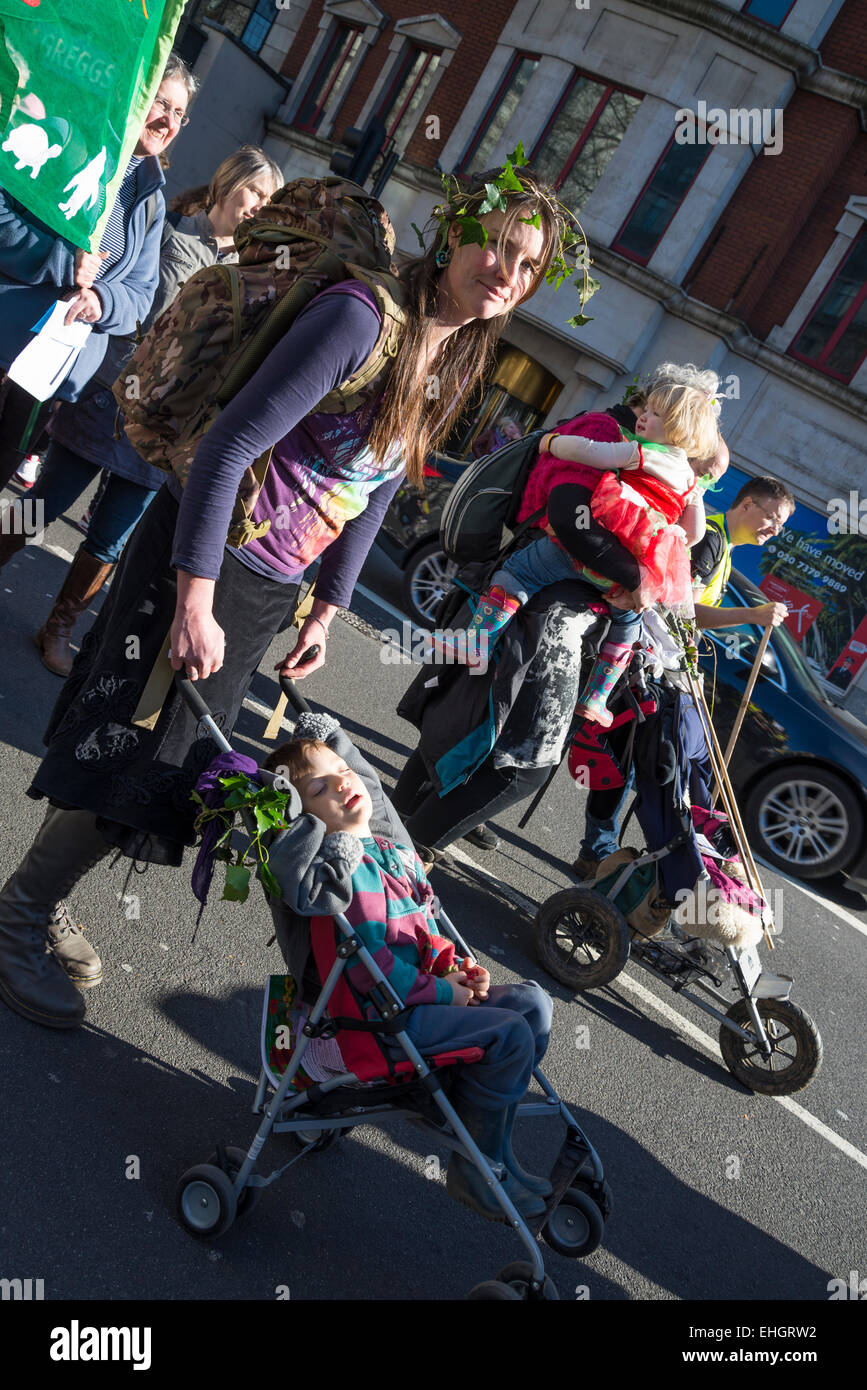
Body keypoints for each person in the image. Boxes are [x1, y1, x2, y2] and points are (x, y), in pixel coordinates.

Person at [0, 161, 572, 1030]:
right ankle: (18, 919)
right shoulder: (359, 317)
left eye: (526, 264)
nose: (505, 270)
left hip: (265, 582)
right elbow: (228, 448)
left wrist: (328, 606)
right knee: (137, 747)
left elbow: (376, 484)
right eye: (494, 245)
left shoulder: (448, 350)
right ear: (454, 234)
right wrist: (194, 600)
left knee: (165, 763)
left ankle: (35, 901)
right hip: (206, 558)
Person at [0, 146, 282, 676]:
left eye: (271, 200)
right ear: (226, 184)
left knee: (112, 534)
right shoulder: (171, 232)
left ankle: (58, 627)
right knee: (46, 499)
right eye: (256, 191)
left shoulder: (257, 272)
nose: (260, 206)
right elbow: (126, 297)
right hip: (111, 395)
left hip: (169, 425)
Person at [265, 731, 554, 1223]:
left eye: (343, 774)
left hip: (413, 1002)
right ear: (305, 821)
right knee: (509, 1035)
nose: (341, 786)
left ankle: (492, 1148)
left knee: (532, 1004)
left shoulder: (384, 849)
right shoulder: (341, 876)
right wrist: (448, 992)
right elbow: (377, 973)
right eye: (319, 791)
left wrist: (453, 966)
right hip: (379, 1026)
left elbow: (418, 926)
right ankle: (476, 1167)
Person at [432, 380, 720, 727]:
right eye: (647, 409)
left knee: (520, 572)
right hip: (635, 564)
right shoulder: (690, 481)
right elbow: (693, 534)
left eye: (656, 414)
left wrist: (551, 441)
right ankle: (597, 697)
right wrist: (679, 515)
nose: (644, 416)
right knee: (627, 621)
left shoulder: (637, 451)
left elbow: (589, 452)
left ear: (677, 431)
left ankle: (475, 641)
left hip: (592, 547)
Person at [572, 472, 796, 879]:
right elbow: (679, 606)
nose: (775, 530)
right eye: (773, 518)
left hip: (664, 664)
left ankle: (603, 847)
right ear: (747, 505)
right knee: (624, 753)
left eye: (781, 525)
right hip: (642, 659)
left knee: (634, 755)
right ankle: (596, 848)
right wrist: (752, 615)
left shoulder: (724, 548)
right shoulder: (710, 538)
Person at [0, 54, 197, 488]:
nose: (168, 120)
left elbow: (141, 296)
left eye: (179, 112)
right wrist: (59, 258)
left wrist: (100, 299)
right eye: (161, 103)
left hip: (48, 375)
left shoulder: (152, 200)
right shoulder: (65, 138)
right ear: (134, 95)